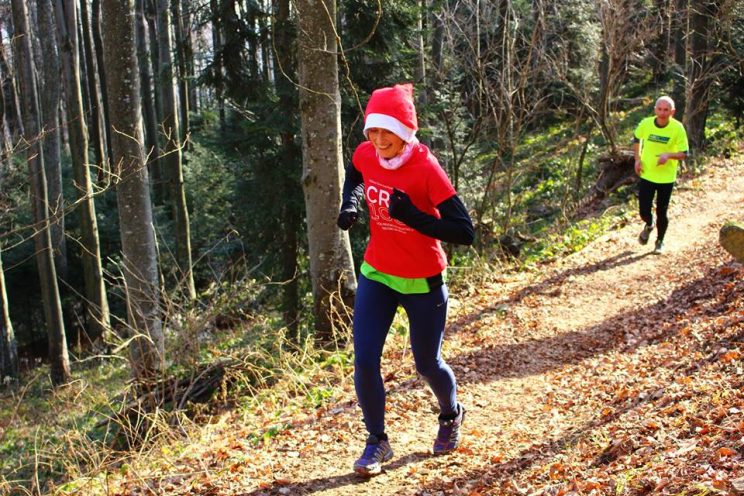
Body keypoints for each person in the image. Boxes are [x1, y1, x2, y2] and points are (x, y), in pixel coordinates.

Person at [337, 83, 475, 476]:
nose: (379, 140)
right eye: (373, 131)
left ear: (405, 132)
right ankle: (376, 441)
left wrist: (413, 216)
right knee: (365, 359)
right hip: (377, 273)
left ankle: (450, 414)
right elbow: (356, 173)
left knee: (427, 364)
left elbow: (464, 232)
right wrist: (350, 203)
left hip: (422, 280)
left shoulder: (426, 168)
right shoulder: (367, 152)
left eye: (388, 132)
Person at [632, 95, 689, 254]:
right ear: (655, 109)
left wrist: (668, 155)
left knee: (661, 212)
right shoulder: (646, 124)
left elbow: (684, 153)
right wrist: (637, 159)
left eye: (666, 110)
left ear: (672, 111)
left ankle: (660, 241)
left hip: (666, 177)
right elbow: (636, 138)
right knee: (644, 210)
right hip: (647, 174)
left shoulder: (677, 128)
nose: (662, 113)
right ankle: (649, 225)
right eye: (660, 109)